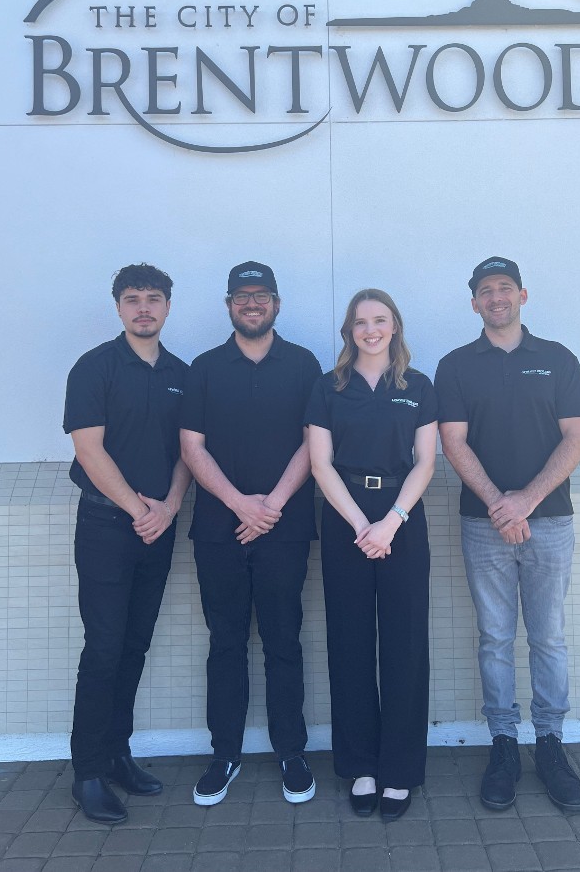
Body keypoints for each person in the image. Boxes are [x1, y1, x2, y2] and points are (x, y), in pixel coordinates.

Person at [435, 256, 580, 813]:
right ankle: (504, 743)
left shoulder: (557, 359)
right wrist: (499, 507)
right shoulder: (455, 366)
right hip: (483, 527)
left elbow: (577, 438)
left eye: (505, 288)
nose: (496, 297)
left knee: (548, 637)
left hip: (550, 523)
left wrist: (524, 500)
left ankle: (549, 743)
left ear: (523, 296)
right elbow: (453, 442)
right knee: (495, 639)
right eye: (485, 290)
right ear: (473, 302)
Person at [180, 262, 322, 806]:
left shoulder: (304, 364)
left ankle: (292, 751)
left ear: (277, 304)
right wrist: (242, 504)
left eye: (261, 295)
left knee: (285, 641)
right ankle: (226, 754)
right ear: (229, 306)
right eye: (242, 296)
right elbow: (193, 447)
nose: (252, 303)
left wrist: (273, 506)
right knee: (226, 643)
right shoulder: (205, 368)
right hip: (219, 529)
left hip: (284, 529)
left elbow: (314, 442)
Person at [63, 263, 191, 823]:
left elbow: (189, 452)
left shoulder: (183, 375)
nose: (144, 307)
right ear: (118, 307)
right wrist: (140, 509)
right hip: (105, 529)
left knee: (135, 645)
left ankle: (118, 755)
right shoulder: (93, 368)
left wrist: (169, 507)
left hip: (157, 528)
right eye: (133, 298)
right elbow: (90, 450)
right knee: (104, 649)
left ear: (168, 307)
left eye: (154, 298)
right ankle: (87, 772)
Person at [307, 289, 437, 821]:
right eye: (360, 322)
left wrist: (391, 521)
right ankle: (360, 765)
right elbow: (320, 463)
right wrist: (362, 524)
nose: (370, 330)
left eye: (380, 320)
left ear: (395, 326)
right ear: (348, 331)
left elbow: (426, 462)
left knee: (405, 645)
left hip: (401, 519)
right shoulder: (328, 388)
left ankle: (400, 771)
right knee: (350, 643)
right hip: (346, 522)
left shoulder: (419, 387)